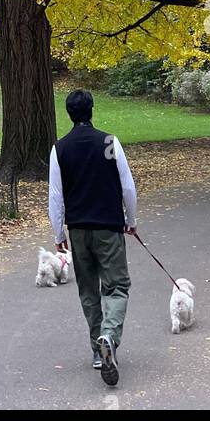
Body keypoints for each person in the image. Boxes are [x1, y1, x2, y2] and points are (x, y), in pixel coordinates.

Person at [48, 89, 137, 387]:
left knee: (89, 290)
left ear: (69, 113)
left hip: (79, 230)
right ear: (92, 110)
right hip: (109, 227)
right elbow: (127, 186)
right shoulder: (109, 142)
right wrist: (131, 220)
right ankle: (109, 337)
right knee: (117, 285)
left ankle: (98, 351)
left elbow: (56, 197)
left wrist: (59, 233)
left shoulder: (59, 149)